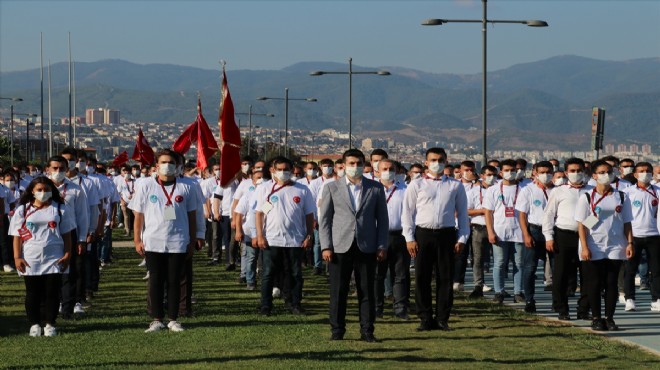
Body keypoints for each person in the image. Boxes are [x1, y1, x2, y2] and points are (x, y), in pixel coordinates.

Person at [319, 149, 389, 342]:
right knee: (338, 291)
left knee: (367, 291)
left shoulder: (375, 188)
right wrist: (326, 246)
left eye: (358, 163)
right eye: (351, 163)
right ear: (342, 165)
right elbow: (324, 220)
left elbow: (383, 220)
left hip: (366, 246)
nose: (355, 167)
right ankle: (337, 331)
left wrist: (382, 245)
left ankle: (367, 331)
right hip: (340, 246)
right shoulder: (331, 188)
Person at [130, 149, 198, 333]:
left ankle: (173, 318)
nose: (167, 166)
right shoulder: (146, 185)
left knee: (174, 281)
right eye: (164, 162)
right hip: (153, 241)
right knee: (156, 280)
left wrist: (192, 240)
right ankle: (156, 318)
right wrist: (137, 239)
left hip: (178, 240)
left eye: (171, 163)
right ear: (156, 166)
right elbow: (138, 216)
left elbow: (192, 216)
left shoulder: (187, 187)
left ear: (177, 166)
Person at [401, 147, 469, 331]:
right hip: (423, 234)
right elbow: (407, 213)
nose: (436, 163)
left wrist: (462, 238)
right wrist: (409, 238)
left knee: (445, 278)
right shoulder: (416, 185)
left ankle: (442, 318)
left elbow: (463, 215)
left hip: (447, 234)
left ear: (446, 161)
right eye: (433, 159)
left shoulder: (455, 185)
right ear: (426, 162)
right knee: (422, 277)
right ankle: (424, 317)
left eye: (440, 159)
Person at [10, 176, 76, 337]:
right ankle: (34, 323)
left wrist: (67, 253)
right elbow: (16, 236)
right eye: (39, 190)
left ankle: (50, 323)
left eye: (46, 190)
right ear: (32, 191)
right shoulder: (23, 210)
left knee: (52, 292)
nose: (43, 193)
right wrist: (17, 257)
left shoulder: (59, 208)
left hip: (54, 257)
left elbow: (67, 234)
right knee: (33, 292)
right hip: (30, 258)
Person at [575, 159, 634, 331]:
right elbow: (582, 225)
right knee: (594, 283)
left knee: (611, 283)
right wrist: (584, 247)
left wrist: (630, 243)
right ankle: (596, 317)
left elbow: (627, 222)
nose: (606, 175)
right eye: (601, 173)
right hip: (594, 245)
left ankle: (609, 318)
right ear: (594, 176)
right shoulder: (586, 197)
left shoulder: (621, 196)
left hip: (616, 245)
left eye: (608, 172)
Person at [255, 156, 315, 316]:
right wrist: (260, 235)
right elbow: (260, 214)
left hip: (295, 240)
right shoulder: (266, 189)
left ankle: (294, 303)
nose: (283, 173)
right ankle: (266, 306)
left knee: (295, 273)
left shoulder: (302, 190)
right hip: (272, 239)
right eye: (279, 170)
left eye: (286, 170)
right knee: (268, 273)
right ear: (273, 170)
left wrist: (309, 235)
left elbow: (309, 215)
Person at [542, 157, 592, 320]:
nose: (576, 173)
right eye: (572, 171)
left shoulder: (591, 191)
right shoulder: (558, 191)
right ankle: (561, 307)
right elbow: (549, 214)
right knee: (561, 274)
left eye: (579, 170)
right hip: (564, 235)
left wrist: (587, 226)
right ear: (566, 173)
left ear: (584, 172)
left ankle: (583, 309)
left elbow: (596, 214)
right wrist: (549, 237)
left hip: (586, 237)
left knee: (587, 274)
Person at [484, 159, 524, 304]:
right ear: (501, 173)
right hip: (500, 231)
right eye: (506, 170)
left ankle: (518, 292)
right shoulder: (493, 189)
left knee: (519, 264)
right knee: (499, 263)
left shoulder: (524, 188)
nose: (510, 173)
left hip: (519, 232)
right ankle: (499, 291)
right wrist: (490, 232)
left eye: (513, 170)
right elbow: (488, 213)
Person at [374, 159, 410, 320]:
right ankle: (377, 308)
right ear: (377, 171)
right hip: (376, 236)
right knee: (377, 275)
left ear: (396, 171)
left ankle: (400, 308)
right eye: (384, 169)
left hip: (399, 236)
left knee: (400, 274)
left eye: (391, 169)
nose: (387, 171)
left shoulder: (405, 190)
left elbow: (411, 215)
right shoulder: (372, 189)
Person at [516, 161, 554, 313]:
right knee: (530, 268)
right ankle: (530, 300)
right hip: (535, 230)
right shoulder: (527, 190)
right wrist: (526, 234)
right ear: (535, 173)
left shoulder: (557, 190)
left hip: (552, 231)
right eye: (542, 172)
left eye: (549, 172)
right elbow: (522, 215)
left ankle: (557, 301)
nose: (546, 175)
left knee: (556, 269)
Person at [622, 162, 659, 311]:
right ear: (635, 175)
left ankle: (656, 299)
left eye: (648, 171)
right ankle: (629, 298)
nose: (646, 173)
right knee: (630, 269)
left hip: (654, 235)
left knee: (656, 270)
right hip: (634, 236)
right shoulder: (627, 192)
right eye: (642, 171)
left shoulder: (658, 190)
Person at [467, 165, 497, 298]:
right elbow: (466, 210)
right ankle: (478, 285)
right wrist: (483, 211)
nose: (492, 178)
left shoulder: (499, 190)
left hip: (497, 227)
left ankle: (499, 288)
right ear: (482, 175)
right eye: (489, 175)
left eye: (494, 175)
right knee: (477, 258)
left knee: (498, 260)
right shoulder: (473, 192)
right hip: (479, 227)